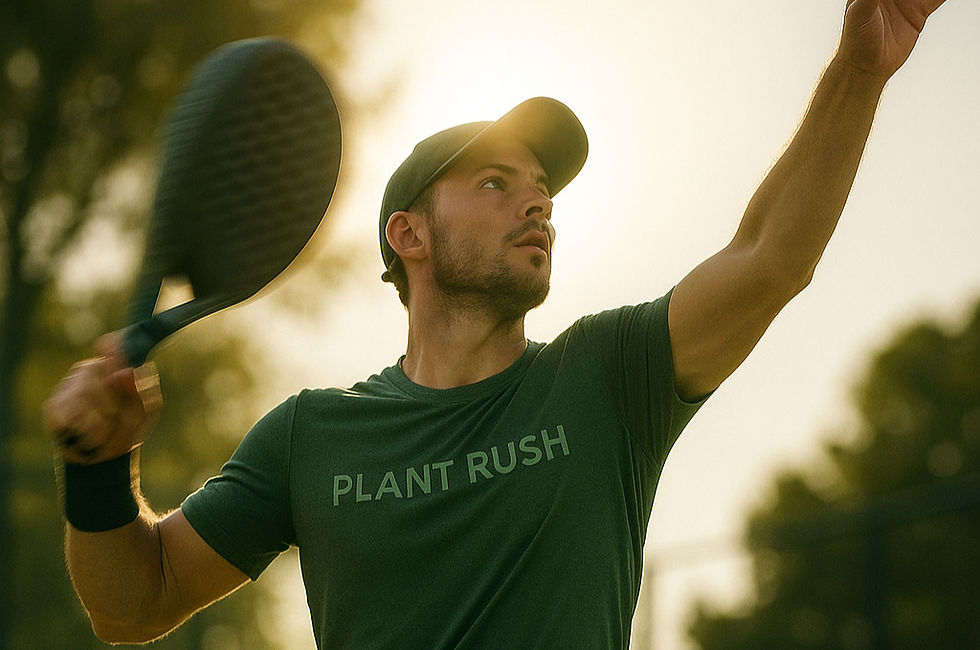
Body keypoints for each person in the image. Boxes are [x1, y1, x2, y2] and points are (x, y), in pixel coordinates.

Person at [43, 0, 952, 646]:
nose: (537, 205)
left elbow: (770, 257)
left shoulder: (610, 376)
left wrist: (860, 65)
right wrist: (96, 470)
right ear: (410, 236)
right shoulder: (308, 438)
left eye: (543, 189)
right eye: (494, 184)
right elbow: (135, 604)